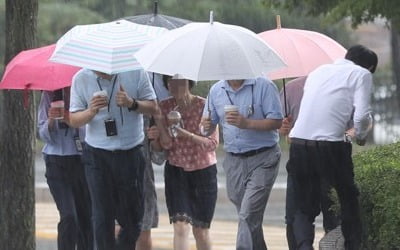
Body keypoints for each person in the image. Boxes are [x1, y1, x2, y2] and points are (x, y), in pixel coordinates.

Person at [288, 45, 378, 250]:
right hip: (331, 146)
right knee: (348, 198)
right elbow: (362, 116)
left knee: (303, 207)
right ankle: (351, 246)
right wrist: (361, 136)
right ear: (370, 66)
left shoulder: (318, 72)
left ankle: (303, 247)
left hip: (299, 143)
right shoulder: (362, 74)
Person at [69, 69, 157, 250]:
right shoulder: (81, 78)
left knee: (133, 218)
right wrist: (91, 111)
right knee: (102, 217)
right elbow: (74, 119)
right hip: (97, 154)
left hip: (130, 151)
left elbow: (153, 106)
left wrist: (131, 103)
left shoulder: (136, 72)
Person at [201, 77, 283, 250]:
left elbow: (277, 121)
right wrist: (205, 127)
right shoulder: (216, 90)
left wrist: (247, 123)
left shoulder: (264, 86)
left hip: (264, 157)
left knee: (247, 215)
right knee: (249, 218)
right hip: (233, 161)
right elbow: (206, 127)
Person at [148, 75, 219, 250]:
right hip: (176, 170)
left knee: (200, 230)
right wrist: (156, 132)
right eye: (170, 82)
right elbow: (164, 146)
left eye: (180, 80)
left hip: (204, 170)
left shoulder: (205, 106)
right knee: (180, 226)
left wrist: (185, 133)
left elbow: (212, 143)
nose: (175, 85)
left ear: (190, 82)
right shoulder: (164, 107)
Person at [279, 76, 340, 249]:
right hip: (319, 157)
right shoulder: (291, 89)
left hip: (314, 157)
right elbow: (279, 124)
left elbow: (356, 124)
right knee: (327, 214)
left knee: (304, 214)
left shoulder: (290, 88)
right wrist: (282, 127)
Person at [37, 87, 92, 250]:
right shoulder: (49, 94)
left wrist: (73, 119)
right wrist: (51, 120)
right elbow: (41, 133)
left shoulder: (84, 91)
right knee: (69, 216)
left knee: (86, 218)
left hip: (82, 159)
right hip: (56, 162)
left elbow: (93, 128)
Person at [135, 73, 169, 250]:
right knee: (117, 228)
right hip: (114, 172)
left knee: (144, 229)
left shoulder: (151, 108)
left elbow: (158, 157)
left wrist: (155, 139)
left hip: (143, 177)